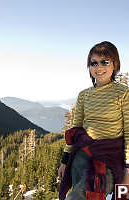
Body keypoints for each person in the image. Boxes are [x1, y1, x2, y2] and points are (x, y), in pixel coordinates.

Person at [58, 41, 129, 200]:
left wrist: (128, 171)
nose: (99, 67)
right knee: (78, 191)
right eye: (94, 63)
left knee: (81, 195)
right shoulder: (84, 95)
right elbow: (74, 130)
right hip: (82, 153)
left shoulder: (124, 93)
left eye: (105, 62)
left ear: (114, 64)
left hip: (110, 156)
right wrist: (65, 161)